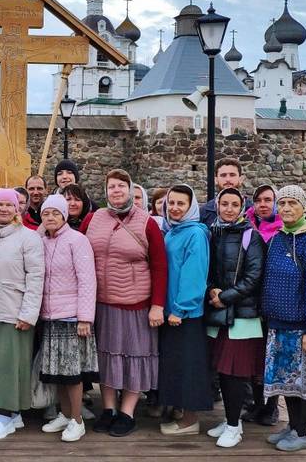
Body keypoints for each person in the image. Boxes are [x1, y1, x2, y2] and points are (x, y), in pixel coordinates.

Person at [83, 169, 168, 438]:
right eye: (111, 186)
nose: (116, 190)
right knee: (107, 356)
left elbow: (159, 265)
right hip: (102, 302)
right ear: (105, 191)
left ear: (131, 190)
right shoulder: (93, 219)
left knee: (134, 356)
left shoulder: (147, 222)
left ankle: (127, 411)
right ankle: (108, 408)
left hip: (136, 303)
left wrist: (157, 304)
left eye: (121, 185)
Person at [262, 185, 306, 453]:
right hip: (278, 323)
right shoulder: (279, 238)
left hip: (302, 328)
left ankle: (302, 433)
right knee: (287, 382)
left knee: (303, 382)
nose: (287, 208)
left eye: (293, 203)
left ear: (304, 206)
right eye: (282, 204)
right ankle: (292, 427)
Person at [0, 188, 44, 440]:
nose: (4, 209)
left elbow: (36, 277)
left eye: (9, 205)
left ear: (17, 209)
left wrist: (28, 314)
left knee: (10, 366)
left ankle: (5, 416)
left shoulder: (28, 238)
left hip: (14, 310)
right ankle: (12, 414)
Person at [205, 187, 266, 448]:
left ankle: (233, 426)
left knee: (235, 374)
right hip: (220, 313)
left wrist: (225, 297)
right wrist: (211, 290)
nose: (228, 209)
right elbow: (208, 269)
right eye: (224, 204)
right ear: (217, 206)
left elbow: (254, 277)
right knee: (222, 372)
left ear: (242, 208)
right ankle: (232, 421)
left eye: (234, 204)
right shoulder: (214, 233)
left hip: (242, 316)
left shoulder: (251, 236)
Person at [37, 194, 97, 443]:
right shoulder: (41, 240)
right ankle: (64, 413)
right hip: (51, 315)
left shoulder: (77, 240)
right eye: (45, 213)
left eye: (55, 213)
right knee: (57, 373)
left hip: (73, 317)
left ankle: (77, 420)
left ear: (64, 216)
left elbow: (87, 280)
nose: (50, 217)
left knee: (73, 373)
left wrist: (85, 317)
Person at [157, 184, 212, 436]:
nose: (175, 208)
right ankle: (181, 412)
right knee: (176, 365)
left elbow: (194, 275)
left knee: (189, 367)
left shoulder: (195, 234)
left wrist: (181, 308)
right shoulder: (172, 231)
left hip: (185, 314)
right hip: (171, 311)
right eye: (172, 203)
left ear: (191, 207)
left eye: (181, 204)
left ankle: (190, 420)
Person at [242, 184, 282, 426]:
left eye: (268, 200)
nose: (263, 204)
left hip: (273, 303)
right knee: (255, 357)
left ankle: (271, 407)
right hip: (251, 303)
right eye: (259, 200)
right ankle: (257, 404)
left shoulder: (282, 231)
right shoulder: (247, 227)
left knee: (271, 357)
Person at [199, 158, 247, 225]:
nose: (228, 179)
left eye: (232, 175)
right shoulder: (204, 212)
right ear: (216, 180)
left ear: (240, 179)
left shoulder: (252, 210)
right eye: (223, 175)